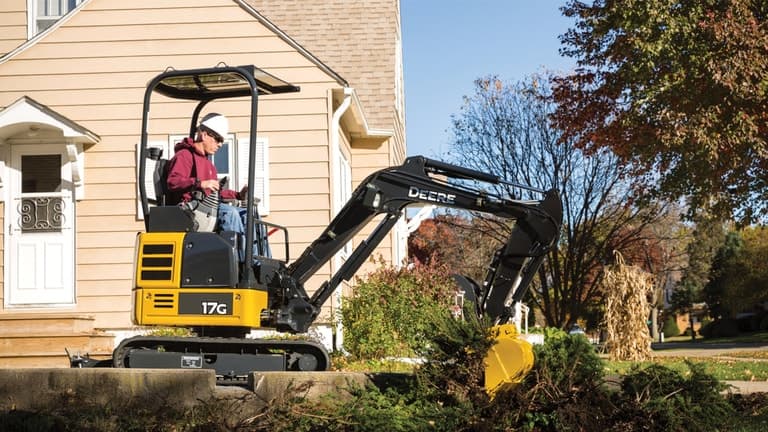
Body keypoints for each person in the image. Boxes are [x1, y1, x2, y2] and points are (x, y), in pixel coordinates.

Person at [165, 113, 248, 245]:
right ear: (204, 135)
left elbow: (215, 193)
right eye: (217, 139)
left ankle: (257, 262)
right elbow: (172, 182)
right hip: (190, 209)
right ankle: (238, 261)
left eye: (222, 141)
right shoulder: (184, 156)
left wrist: (238, 195)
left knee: (247, 214)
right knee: (230, 213)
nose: (220, 144)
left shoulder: (209, 165)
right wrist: (199, 183)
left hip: (207, 208)